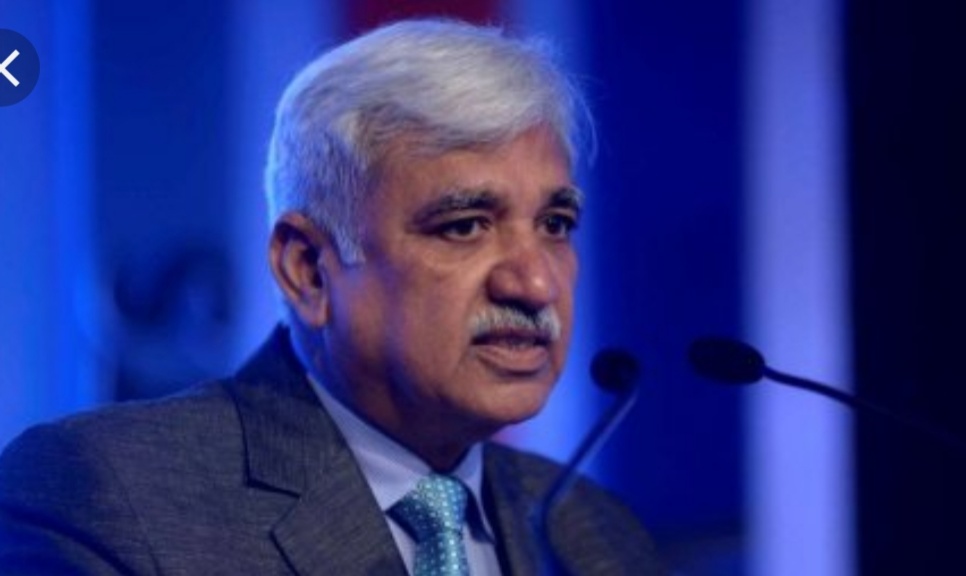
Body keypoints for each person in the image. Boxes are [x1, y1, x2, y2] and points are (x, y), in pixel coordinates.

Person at [0, 18, 664, 575]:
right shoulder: (108, 495)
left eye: (556, 225)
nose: (536, 283)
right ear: (309, 271)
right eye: (464, 226)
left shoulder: (592, 532)